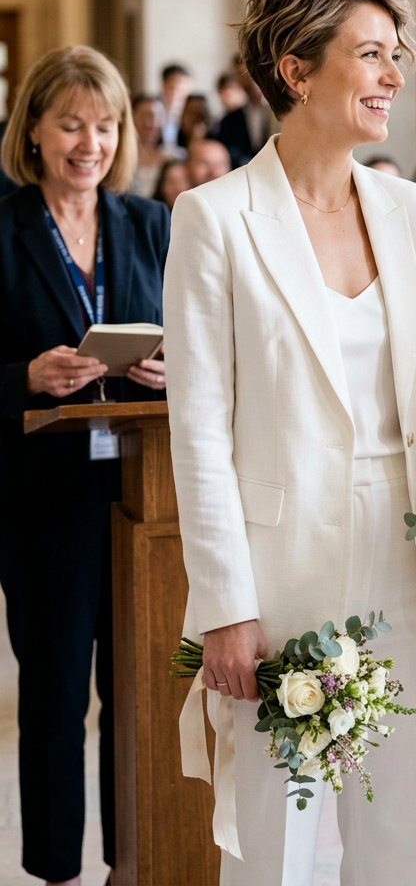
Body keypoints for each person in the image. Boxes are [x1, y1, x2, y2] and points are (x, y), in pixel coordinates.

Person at [163, 0, 416, 886]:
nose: (393, 75)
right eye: (370, 55)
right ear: (297, 70)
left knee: (396, 827)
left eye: (396, 56)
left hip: (412, 551)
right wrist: (225, 607)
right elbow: (197, 430)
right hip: (280, 570)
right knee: (270, 834)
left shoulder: (406, 208)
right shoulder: (215, 218)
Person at [0, 45, 169, 886]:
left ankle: (126, 860)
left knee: (138, 694)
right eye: (70, 124)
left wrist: (172, 370)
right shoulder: (1, 228)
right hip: (41, 503)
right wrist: (25, 376)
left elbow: (200, 343)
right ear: (32, 129)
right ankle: (58, 870)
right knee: (58, 699)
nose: (89, 143)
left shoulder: (149, 224)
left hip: (140, 494)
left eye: (105, 126)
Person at [130, 93, 180, 198]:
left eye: (156, 117)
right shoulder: (121, 157)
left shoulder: (174, 156)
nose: (149, 123)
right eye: (144, 116)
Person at [158, 62, 193, 147]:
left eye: (181, 88)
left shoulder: (194, 115)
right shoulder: (155, 112)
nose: (176, 93)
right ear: (163, 86)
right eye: (172, 87)